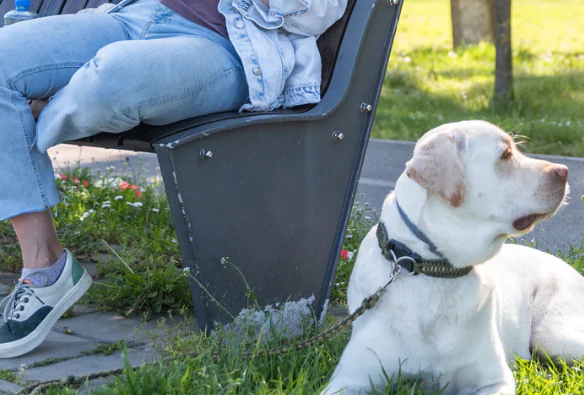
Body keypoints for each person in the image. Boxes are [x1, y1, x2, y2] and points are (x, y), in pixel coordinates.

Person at [0, 0, 347, 358]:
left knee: (114, 79)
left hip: (224, 47)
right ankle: (44, 266)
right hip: (138, 14)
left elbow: (319, 12)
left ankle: (38, 108)